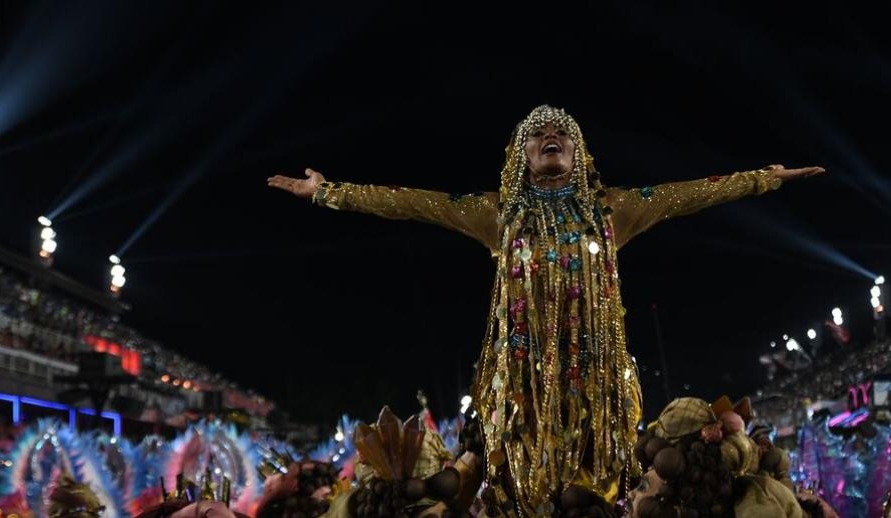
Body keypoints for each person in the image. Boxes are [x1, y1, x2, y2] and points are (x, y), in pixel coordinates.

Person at [269, 105, 823, 514]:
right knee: (524, 488)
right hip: (523, 388)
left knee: (594, 486)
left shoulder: (614, 211)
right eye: (537, 136)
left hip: (596, 386)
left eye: (562, 134)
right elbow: (415, 203)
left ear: (579, 155)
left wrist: (764, 179)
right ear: (521, 156)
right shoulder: (496, 216)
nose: (551, 138)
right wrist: (329, 192)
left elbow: (691, 193)